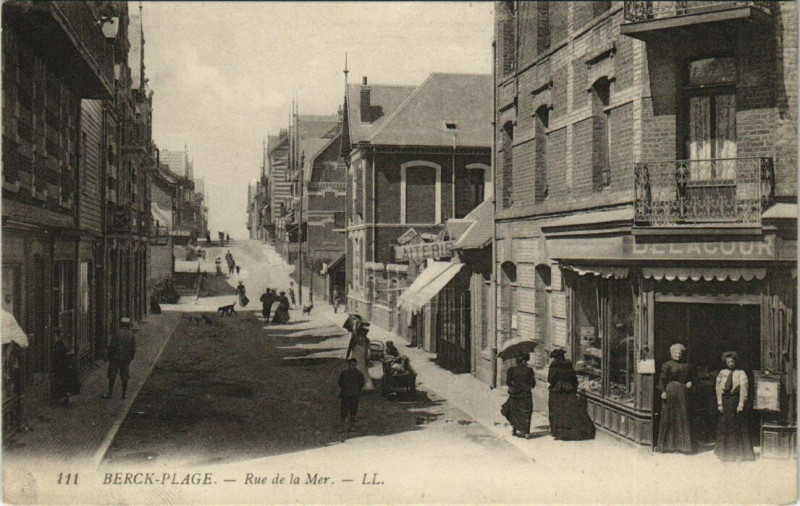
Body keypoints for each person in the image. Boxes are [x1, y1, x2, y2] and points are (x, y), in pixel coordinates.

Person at [714, 351, 755, 461]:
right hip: (725, 402)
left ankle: (738, 454)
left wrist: (741, 404)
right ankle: (725, 453)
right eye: (728, 362)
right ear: (725, 362)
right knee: (724, 426)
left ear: (735, 361)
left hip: (736, 401)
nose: (731, 363)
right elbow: (718, 388)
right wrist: (719, 403)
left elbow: (744, 389)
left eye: (732, 361)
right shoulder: (722, 373)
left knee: (737, 426)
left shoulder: (741, 373)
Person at [547, 349, 595, 441]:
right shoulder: (568, 364)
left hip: (557, 391)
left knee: (556, 412)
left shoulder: (554, 365)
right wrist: (574, 389)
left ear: (556, 358)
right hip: (568, 390)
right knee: (568, 412)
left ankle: (558, 432)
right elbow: (574, 378)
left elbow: (551, 378)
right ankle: (568, 432)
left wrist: (550, 384)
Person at [657, 343, 696, 453]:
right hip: (670, 392)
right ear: (671, 353)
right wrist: (663, 391)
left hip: (683, 393)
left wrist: (690, 382)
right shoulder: (667, 365)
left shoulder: (687, 365)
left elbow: (693, 378)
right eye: (675, 352)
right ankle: (667, 446)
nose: (678, 355)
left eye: (680, 353)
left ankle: (683, 446)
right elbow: (662, 379)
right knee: (669, 416)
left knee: (682, 417)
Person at [501, 353, 536, 438]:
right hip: (525, 395)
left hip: (515, 394)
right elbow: (533, 384)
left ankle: (514, 430)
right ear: (524, 361)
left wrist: (515, 385)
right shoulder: (529, 370)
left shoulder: (511, 370)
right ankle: (526, 432)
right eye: (526, 361)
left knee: (514, 412)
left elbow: (508, 383)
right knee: (526, 413)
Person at [103, 318, 136, 400]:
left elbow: (112, 346)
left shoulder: (117, 334)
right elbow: (133, 348)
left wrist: (109, 356)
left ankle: (110, 393)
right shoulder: (131, 335)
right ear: (128, 325)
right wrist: (131, 357)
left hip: (115, 358)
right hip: (126, 359)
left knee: (112, 375)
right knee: (125, 376)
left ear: (121, 324)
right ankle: (124, 394)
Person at [346, 321, 375, 391]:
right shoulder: (356, 338)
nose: (364, 333)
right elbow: (350, 347)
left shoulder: (365, 339)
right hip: (356, 355)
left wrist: (368, 357)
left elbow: (368, 350)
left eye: (365, 332)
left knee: (361, 369)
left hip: (361, 356)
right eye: (363, 331)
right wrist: (347, 355)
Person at [338, 358, 365, 432]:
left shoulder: (359, 374)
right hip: (345, 395)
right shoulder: (344, 373)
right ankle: (341, 427)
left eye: (355, 365)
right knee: (343, 411)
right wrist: (344, 389)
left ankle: (352, 426)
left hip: (355, 395)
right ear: (349, 365)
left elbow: (362, 383)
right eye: (352, 365)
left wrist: (357, 390)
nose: (353, 366)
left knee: (353, 411)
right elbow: (340, 382)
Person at [52, 339, 80, 405]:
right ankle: (67, 397)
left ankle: (66, 397)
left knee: (65, 385)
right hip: (68, 373)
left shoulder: (61, 356)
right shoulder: (66, 355)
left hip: (65, 374)